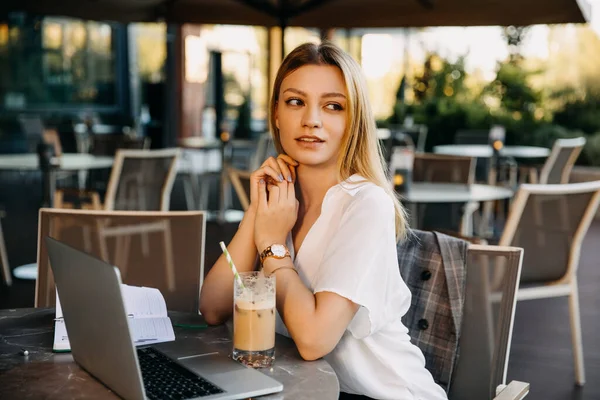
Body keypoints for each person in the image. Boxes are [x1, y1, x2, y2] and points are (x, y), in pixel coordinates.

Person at [199, 42, 447, 400]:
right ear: (277, 114)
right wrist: (258, 212)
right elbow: (213, 308)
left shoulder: (366, 204)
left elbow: (314, 340)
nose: (311, 119)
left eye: (333, 106)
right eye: (296, 102)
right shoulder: (279, 202)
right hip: (301, 390)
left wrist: (272, 247)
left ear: (353, 120)